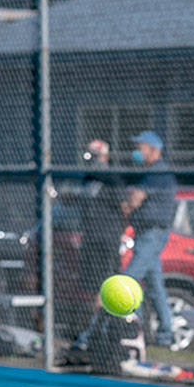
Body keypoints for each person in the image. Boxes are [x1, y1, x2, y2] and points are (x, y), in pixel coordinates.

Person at [63, 139, 131, 367]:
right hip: (90, 240)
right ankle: (91, 333)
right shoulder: (88, 179)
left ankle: (94, 334)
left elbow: (124, 207)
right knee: (92, 288)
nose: (91, 161)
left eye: (95, 156)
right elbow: (79, 199)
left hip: (106, 241)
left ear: (103, 157)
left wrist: (118, 231)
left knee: (104, 288)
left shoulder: (111, 178)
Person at [122, 130, 178, 347]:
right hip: (146, 233)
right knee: (155, 286)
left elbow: (134, 199)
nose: (137, 152)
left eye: (140, 148)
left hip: (152, 234)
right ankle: (166, 334)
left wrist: (127, 202)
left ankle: (130, 328)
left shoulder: (158, 172)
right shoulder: (149, 172)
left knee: (128, 280)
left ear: (154, 150)